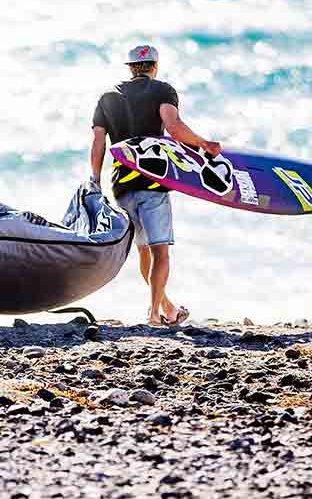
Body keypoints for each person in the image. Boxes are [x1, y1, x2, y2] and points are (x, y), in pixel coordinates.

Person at [90, 45, 221, 327]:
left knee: (144, 251)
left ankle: (168, 309)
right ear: (154, 66)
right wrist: (204, 144)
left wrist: (94, 180)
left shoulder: (107, 97)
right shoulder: (162, 90)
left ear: (130, 67)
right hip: (153, 181)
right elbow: (174, 128)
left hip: (121, 185)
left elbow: (98, 142)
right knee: (160, 250)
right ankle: (152, 315)